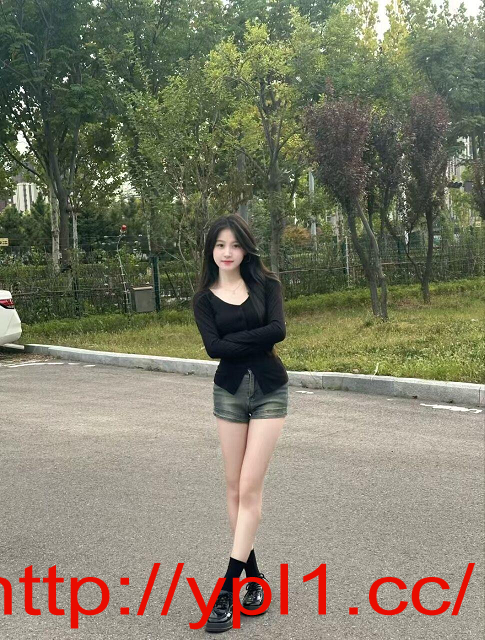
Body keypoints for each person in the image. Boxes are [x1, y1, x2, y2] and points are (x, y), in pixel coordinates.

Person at [192, 214, 289, 633]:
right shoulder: (204, 299)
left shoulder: (268, 285)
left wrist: (234, 342)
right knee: (233, 488)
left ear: (246, 247)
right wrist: (252, 338)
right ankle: (255, 577)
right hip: (229, 394)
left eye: (234, 244)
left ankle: (227, 589)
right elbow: (213, 349)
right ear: (211, 251)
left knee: (249, 488)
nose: (227, 252)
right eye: (220, 245)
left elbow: (278, 330)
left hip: (269, 391)